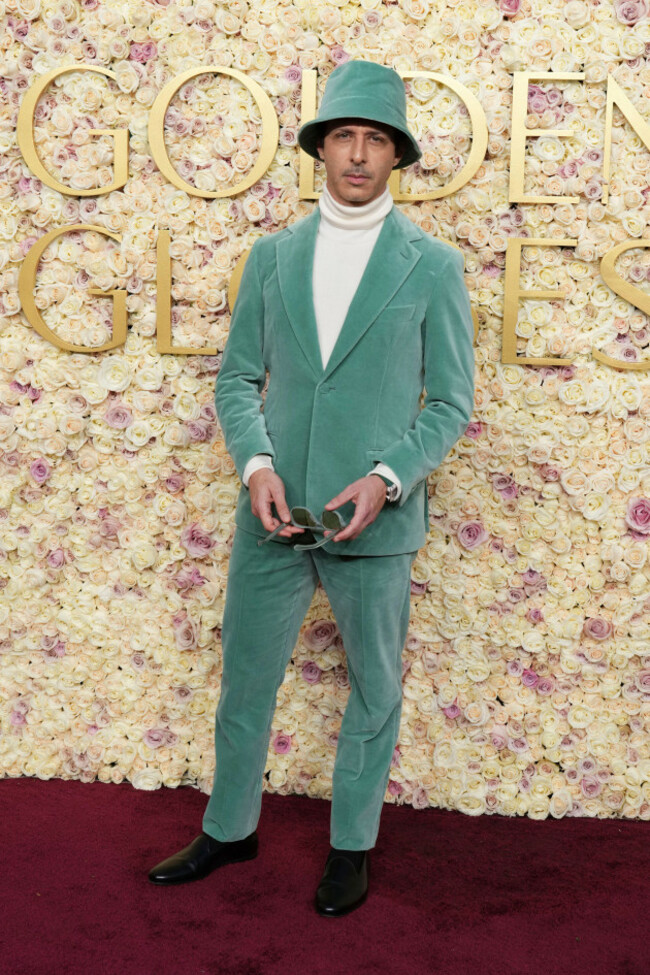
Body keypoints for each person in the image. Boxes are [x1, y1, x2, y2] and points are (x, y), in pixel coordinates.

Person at [148, 59, 475, 917]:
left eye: (375, 139)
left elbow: (450, 401)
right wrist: (257, 467)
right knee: (245, 680)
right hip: (273, 514)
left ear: (395, 156)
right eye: (344, 137)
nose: (358, 154)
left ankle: (352, 847)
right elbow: (236, 380)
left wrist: (388, 475)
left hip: (377, 520)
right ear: (320, 149)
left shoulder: (432, 266)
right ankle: (230, 827)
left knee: (374, 688)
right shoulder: (272, 256)